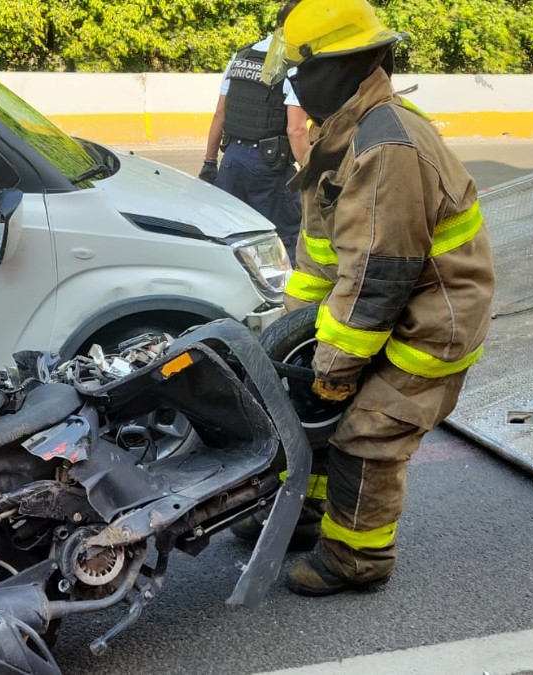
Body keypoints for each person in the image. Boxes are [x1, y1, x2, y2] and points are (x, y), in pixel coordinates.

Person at [258, 0, 495, 596]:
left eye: (302, 69)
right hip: (382, 312)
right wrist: (300, 348)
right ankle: (308, 519)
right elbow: (319, 261)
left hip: (430, 321)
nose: (294, 82)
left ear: (346, 65)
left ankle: (357, 559)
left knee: (367, 431)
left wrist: (334, 365)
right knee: (314, 411)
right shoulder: (337, 136)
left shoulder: (384, 147)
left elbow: (379, 278)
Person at [200, 22, 310, 262]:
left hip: (231, 161)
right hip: (269, 169)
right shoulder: (293, 64)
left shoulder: (242, 56)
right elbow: (297, 129)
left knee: (230, 238)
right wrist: (311, 176)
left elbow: (221, 112)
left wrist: (210, 161)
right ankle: (284, 298)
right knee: (286, 239)